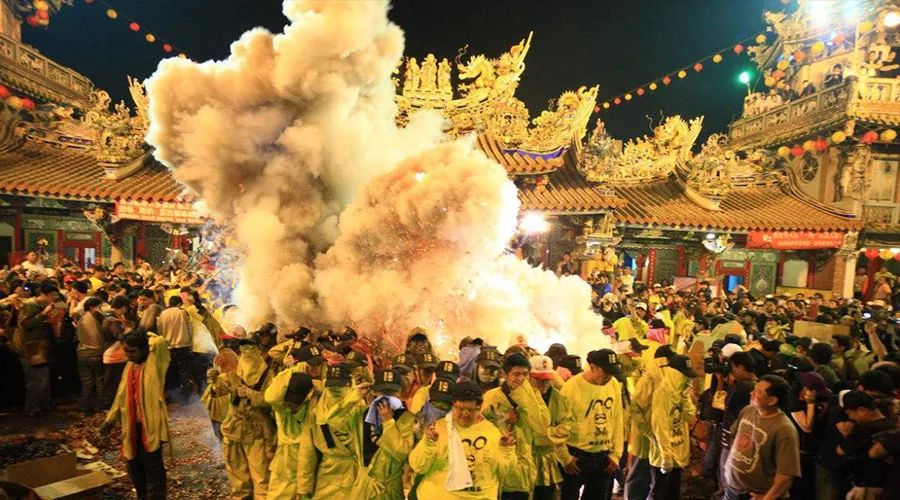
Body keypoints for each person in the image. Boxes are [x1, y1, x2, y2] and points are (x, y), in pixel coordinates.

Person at [408, 380, 517, 498]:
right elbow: (418, 466)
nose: (465, 414)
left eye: (470, 410)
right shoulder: (438, 429)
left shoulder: (492, 432)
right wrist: (428, 444)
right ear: (453, 404)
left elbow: (504, 471)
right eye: (460, 408)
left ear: (479, 406)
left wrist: (506, 450)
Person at [100, 330, 170, 500]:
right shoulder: (129, 367)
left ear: (145, 349)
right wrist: (109, 421)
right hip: (131, 427)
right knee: (134, 466)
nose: (128, 355)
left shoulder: (156, 363)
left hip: (151, 427)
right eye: (126, 351)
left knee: (153, 468)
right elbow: (120, 396)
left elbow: (160, 342)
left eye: (133, 351)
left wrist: (145, 334)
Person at [210, 336, 275, 499]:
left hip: (258, 432)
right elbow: (220, 390)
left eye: (250, 349)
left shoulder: (268, 373)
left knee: (261, 478)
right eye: (244, 349)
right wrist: (213, 381)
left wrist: (252, 394)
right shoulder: (234, 370)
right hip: (234, 429)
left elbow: (273, 399)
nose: (247, 353)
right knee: (238, 479)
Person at [559, 349, 625, 500]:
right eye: (606, 372)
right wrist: (565, 457)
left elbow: (617, 419)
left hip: (604, 457)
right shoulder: (572, 387)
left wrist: (616, 454)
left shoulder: (613, 384)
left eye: (612, 373)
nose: (609, 377)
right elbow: (558, 424)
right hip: (576, 456)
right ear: (593, 367)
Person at [722, 375, 801, 500]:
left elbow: (786, 475)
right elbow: (735, 437)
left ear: (772, 400)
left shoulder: (784, 429)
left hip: (755, 495)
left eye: (758, 391)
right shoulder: (748, 410)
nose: (751, 393)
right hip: (732, 491)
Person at [297, 363, 368, 499]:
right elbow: (307, 450)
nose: (335, 389)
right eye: (332, 385)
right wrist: (304, 487)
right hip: (327, 475)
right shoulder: (316, 408)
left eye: (340, 385)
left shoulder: (359, 406)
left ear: (349, 384)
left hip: (356, 475)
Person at [481, 353, 547, 499]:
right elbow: (479, 428)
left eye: (525, 374)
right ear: (504, 374)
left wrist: (526, 397)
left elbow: (542, 426)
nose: (521, 379)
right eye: (516, 374)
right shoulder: (491, 397)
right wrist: (505, 420)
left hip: (524, 470)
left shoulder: (533, 396)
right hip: (500, 469)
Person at [352, 368, 416, 500]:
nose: (387, 398)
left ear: (399, 393)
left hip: (389, 490)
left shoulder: (407, 419)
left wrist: (388, 422)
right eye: (383, 392)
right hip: (363, 488)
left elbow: (403, 453)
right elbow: (330, 421)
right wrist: (354, 396)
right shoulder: (362, 414)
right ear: (375, 392)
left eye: (391, 393)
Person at [648, 354, 699, 499]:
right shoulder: (662, 394)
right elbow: (660, 427)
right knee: (660, 494)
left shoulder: (679, 392)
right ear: (674, 374)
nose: (687, 379)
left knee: (672, 494)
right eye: (685, 375)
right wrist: (666, 456)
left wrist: (685, 397)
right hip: (663, 457)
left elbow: (690, 416)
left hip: (677, 454)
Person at [264, 369, 316, 500]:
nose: (292, 405)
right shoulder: (282, 407)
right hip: (286, 459)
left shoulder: (315, 405)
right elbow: (271, 397)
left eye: (297, 401)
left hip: (311, 457)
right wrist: (290, 371)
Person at [527, 354, 572, 500]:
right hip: (525, 463)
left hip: (549, 464)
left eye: (547, 378)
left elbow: (566, 427)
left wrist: (540, 436)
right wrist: (552, 435)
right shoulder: (520, 398)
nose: (544, 383)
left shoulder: (558, 398)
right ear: (529, 377)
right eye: (539, 379)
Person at [836, 390, 895, 500]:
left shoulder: (863, 430)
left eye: (850, 414)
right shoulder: (892, 426)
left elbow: (841, 450)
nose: (852, 419)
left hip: (867, 489)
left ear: (862, 410)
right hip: (886, 487)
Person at [156, 296, 194, 402]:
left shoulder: (162, 314)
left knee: (171, 371)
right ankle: (185, 397)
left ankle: (171, 396)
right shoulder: (182, 312)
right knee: (184, 371)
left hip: (168, 347)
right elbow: (189, 328)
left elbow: (160, 330)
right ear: (179, 304)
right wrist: (191, 343)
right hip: (183, 345)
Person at [76, 297, 106, 413]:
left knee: (87, 382)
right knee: (100, 380)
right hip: (96, 352)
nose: (101, 308)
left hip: (82, 353)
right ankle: (100, 406)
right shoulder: (97, 316)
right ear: (92, 307)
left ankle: (85, 407)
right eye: (99, 306)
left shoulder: (81, 318)